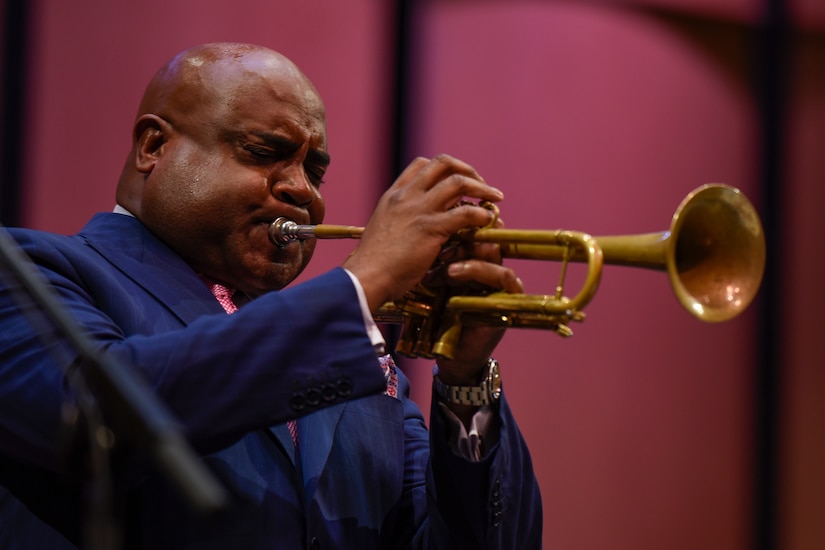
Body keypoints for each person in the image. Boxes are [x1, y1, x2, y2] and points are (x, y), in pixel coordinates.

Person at [0, 42, 542, 549]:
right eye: (264, 152)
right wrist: (362, 283)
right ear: (154, 146)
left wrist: (466, 383)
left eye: (314, 170)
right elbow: (92, 415)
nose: (302, 189)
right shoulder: (28, 273)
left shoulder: (368, 365)